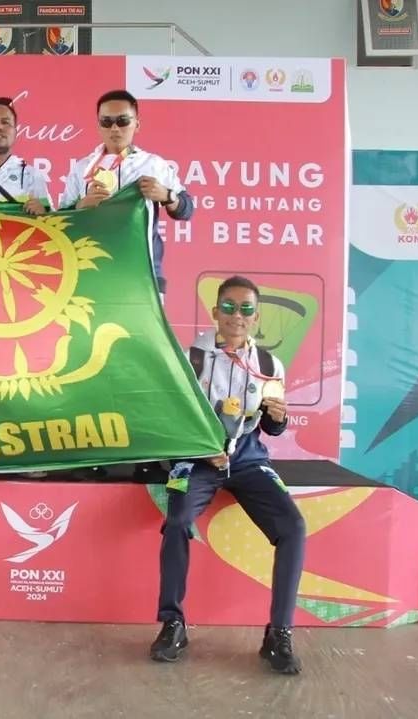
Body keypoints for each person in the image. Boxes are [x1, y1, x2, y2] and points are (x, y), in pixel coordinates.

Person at [150, 276, 305, 675]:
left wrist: (278, 417)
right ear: (216, 312)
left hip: (248, 460)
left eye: (247, 309)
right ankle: (173, 624)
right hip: (198, 460)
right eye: (230, 307)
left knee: (293, 526)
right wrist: (204, 448)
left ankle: (279, 634)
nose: (238, 316)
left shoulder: (269, 365)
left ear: (256, 317)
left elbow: (271, 428)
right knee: (178, 522)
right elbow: (174, 418)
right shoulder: (190, 358)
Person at [59, 89, 193, 300]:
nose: (114, 128)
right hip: (93, 271)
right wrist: (80, 207)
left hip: (143, 274)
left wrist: (167, 196)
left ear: (136, 124)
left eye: (122, 121)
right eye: (106, 122)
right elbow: (60, 219)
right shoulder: (82, 168)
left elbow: (187, 209)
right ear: (98, 125)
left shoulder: (153, 165)